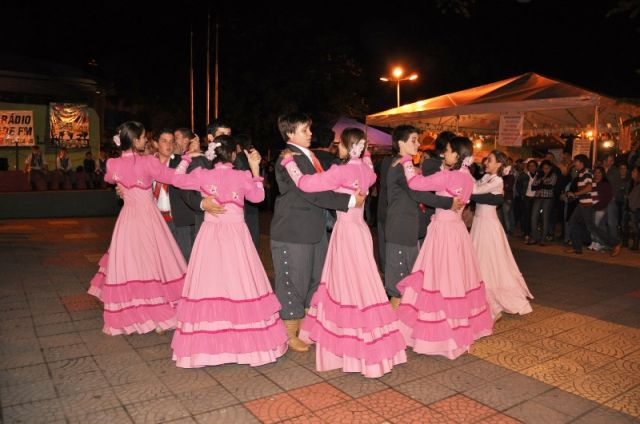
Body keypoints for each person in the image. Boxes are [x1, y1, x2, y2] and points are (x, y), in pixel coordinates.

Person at [280, 128, 406, 378]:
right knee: (364, 283)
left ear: (347, 147)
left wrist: (289, 163)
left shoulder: (340, 171)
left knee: (345, 284)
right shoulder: (367, 171)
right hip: (361, 231)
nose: (337, 148)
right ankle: (371, 336)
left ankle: (349, 339)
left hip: (346, 233)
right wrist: (366, 155)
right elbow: (370, 170)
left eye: (340, 144)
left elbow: (306, 184)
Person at [171, 135, 288, 367]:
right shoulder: (241, 176)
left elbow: (176, 180)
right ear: (234, 154)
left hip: (210, 235)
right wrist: (255, 169)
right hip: (236, 236)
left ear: (211, 155)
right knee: (240, 282)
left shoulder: (202, 174)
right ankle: (246, 345)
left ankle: (206, 349)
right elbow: (259, 197)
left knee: (210, 283)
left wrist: (186, 157)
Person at [88, 121, 199, 335]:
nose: (146, 140)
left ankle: (133, 313)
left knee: (131, 266)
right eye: (143, 137)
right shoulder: (148, 162)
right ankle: (156, 313)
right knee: (153, 265)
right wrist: (186, 159)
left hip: (127, 220)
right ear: (136, 140)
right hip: (148, 218)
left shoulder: (112, 163)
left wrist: (121, 187)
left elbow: (110, 178)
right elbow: (175, 178)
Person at [270, 112, 365, 353]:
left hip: (314, 229)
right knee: (293, 281)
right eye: (305, 130)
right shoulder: (288, 158)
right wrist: (349, 201)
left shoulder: (309, 157)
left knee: (314, 280)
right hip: (294, 230)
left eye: (309, 129)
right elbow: (310, 192)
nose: (310, 133)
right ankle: (289, 333)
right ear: (290, 133)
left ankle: (307, 328)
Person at [395, 136, 493, 359]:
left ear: (457, 155)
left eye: (447, 151)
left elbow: (415, 184)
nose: (444, 154)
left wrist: (407, 161)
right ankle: (456, 328)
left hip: (443, 232)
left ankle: (441, 334)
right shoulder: (468, 178)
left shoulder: (448, 176)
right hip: (458, 231)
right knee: (456, 280)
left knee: (437, 280)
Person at [384, 126, 462, 309]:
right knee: (400, 286)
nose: (418, 144)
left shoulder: (405, 166)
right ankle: (391, 323)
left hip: (407, 228)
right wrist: (448, 202)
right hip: (400, 229)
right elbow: (417, 193)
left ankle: (401, 321)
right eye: (413, 140)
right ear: (401, 143)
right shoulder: (399, 166)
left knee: (409, 282)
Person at [471, 150, 533, 319]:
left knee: (490, 260)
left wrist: (463, 172)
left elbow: (474, 190)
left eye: (489, 160)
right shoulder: (486, 177)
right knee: (478, 258)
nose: (486, 162)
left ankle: (492, 298)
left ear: (499, 164)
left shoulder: (497, 180)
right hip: (478, 223)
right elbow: (475, 186)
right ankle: (478, 294)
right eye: (486, 160)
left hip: (488, 225)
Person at [565, 154, 622, 256]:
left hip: (588, 204)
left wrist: (575, 194)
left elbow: (589, 188)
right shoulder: (582, 174)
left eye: (575, 161)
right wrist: (576, 195)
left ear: (581, 163)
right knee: (573, 222)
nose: (574, 164)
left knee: (591, 227)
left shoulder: (587, 173)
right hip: (583, 203)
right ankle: (577, 247)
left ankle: (615, 243)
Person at [234, 134, 261, 250]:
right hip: (254, 199)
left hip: (244, 202)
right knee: (253, 235)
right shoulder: (253, 158)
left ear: (237, 146)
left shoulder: (238, 159)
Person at [529, 160, 557, 246]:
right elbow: (533, 187)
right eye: (544, 168)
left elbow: (550, 186)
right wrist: (542, 184)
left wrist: (540, 184)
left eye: (547, 168)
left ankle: (543, 239)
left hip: (547, 198)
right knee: (533, 217)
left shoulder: (553, 175)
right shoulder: (538, 175)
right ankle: (534, 238)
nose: (545, 170)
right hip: (538, 197)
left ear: (550, 168)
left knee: (545, 218)